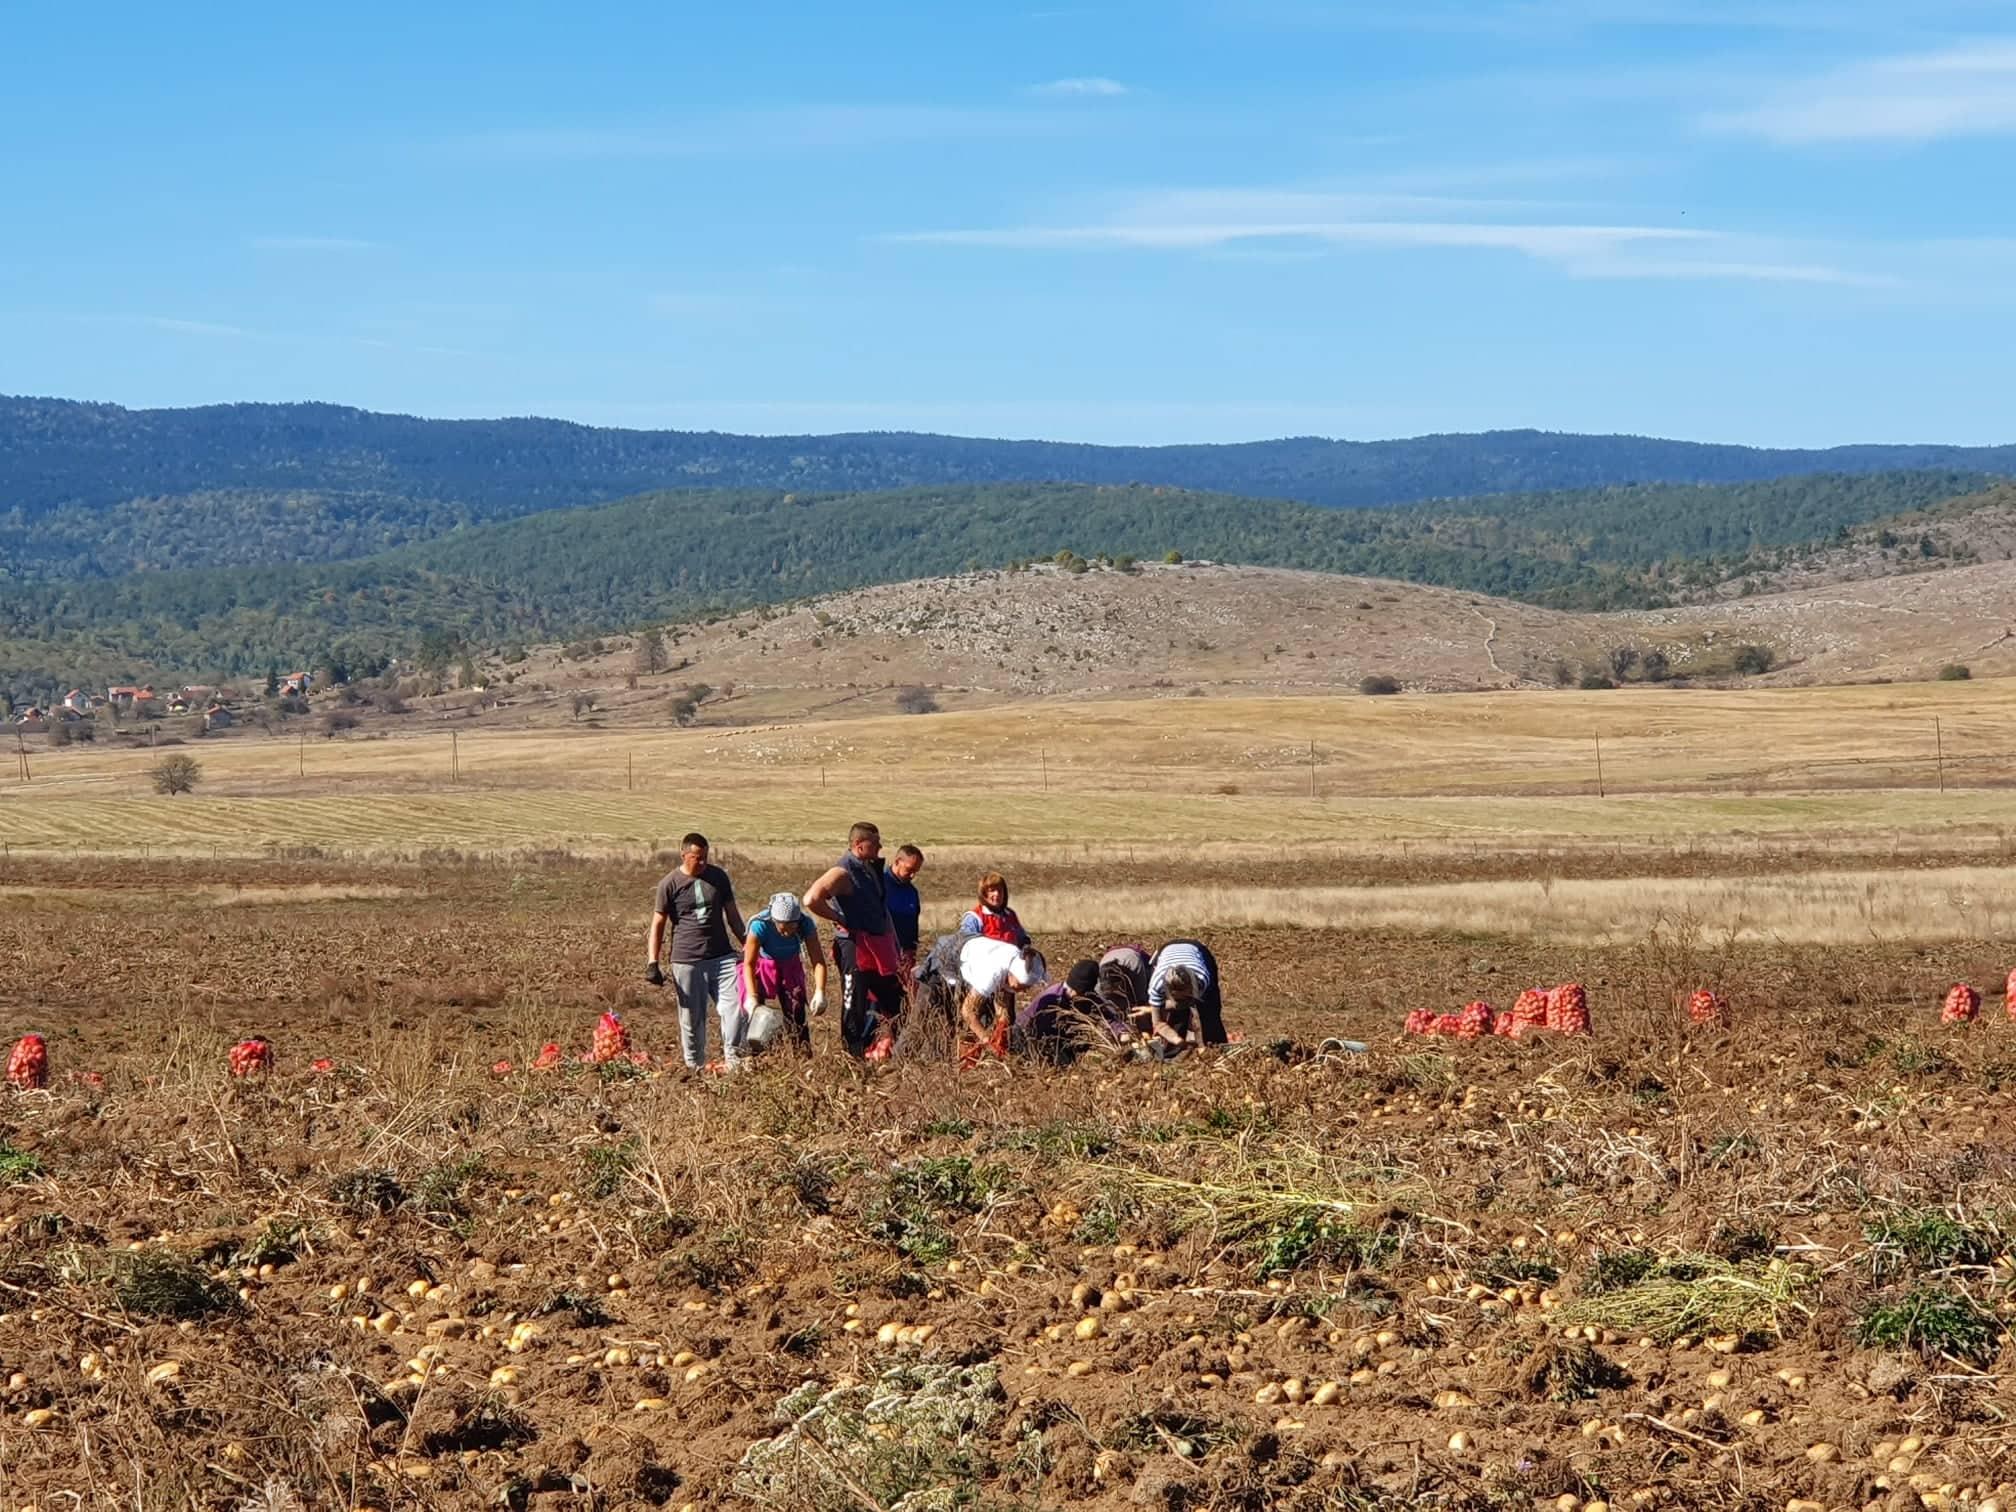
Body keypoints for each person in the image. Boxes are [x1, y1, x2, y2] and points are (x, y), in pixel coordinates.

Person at [804, 821, 907, 1060]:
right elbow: (811, 899)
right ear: (859, 845)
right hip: (855, 948)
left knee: (897, 1003)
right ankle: (852, 1060)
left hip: (878, 947)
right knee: (855, 1005)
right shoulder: (844, 871)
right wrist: (838, 917)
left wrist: (894, 942)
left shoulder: (869, 868)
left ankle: (889, 1051)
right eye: (875, 842)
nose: (880, 846)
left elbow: (881, 910)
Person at [645, 833, 749, 1070]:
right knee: (692, 1018)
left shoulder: (718, 877)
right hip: (687, 960)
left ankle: (735, 1063)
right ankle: (695, 1068)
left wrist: (747, 945)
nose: (702, 862)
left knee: (735, 1009)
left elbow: (733, 916)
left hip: (722, 956)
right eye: (696, 858)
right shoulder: (669, 884)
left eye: (705, 857)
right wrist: (653, 962)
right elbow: (658, 924)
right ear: (683, 855)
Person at [740, 892, 829, 1053]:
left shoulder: (806, 924)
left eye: (791, 927)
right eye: (782, 928)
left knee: (796, 1011)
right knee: (756, 1016)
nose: (787, 933)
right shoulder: (760, 925)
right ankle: (757, 1057)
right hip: (763, 966)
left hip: (790, 966)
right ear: (774, 921)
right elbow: (749, 964)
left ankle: (802, 1055)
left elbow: (818, 961)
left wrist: (820, 991)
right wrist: (752, 996)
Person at [949, 934, 1044, 1070]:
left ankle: (975, 1066)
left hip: (974, 959)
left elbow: (1002, 1006)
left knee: (992, 1021)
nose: (1023, 992)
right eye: (1021, 987)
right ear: (1012, 975)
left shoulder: (1014, 967)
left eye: (1026, 988)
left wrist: (1001, 1031)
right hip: (950, 958)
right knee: (944, 1019)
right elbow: (967, 1011)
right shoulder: (992, 973)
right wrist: (987, 1040)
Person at [1013, 958, 1127, 1065]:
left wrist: (1121, 1032)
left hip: (1061, 1038)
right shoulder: (1051, 999)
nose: (1076, 994)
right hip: (1027, 1036)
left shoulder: (1087, 996)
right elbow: (1040, 1033)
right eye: (1077, 991)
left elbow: (1108, 1017)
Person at [1147, 938, 1228, 1051]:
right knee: (1175, 1015)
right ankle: (1172, 1052)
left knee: (1209, 1012)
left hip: (1197, 950)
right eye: (1176, 996)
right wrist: (1177, 1040)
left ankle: (1215, 1047)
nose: (1181, 999)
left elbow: (1195, 1006)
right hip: (1166, 948)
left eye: (1186, 995)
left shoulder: (1202, 978)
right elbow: (1157, 1023)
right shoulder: (1156, 985)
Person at [885, 844, 926, 1001]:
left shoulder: (912, 892)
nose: (912, 875)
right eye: (909, 869)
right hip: (884, 953)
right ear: (897, 862)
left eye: (916, 871)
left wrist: (912, 953)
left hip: (907, 955)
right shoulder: (879, 885)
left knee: (906, 998)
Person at [959, 872, 1029, 946]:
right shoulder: (974, 918)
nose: (997, 894)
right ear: (984, 894)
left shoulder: (1010, 915)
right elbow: (966, 945)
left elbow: (1023, 940)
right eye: (992, 890)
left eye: (1000, 890)